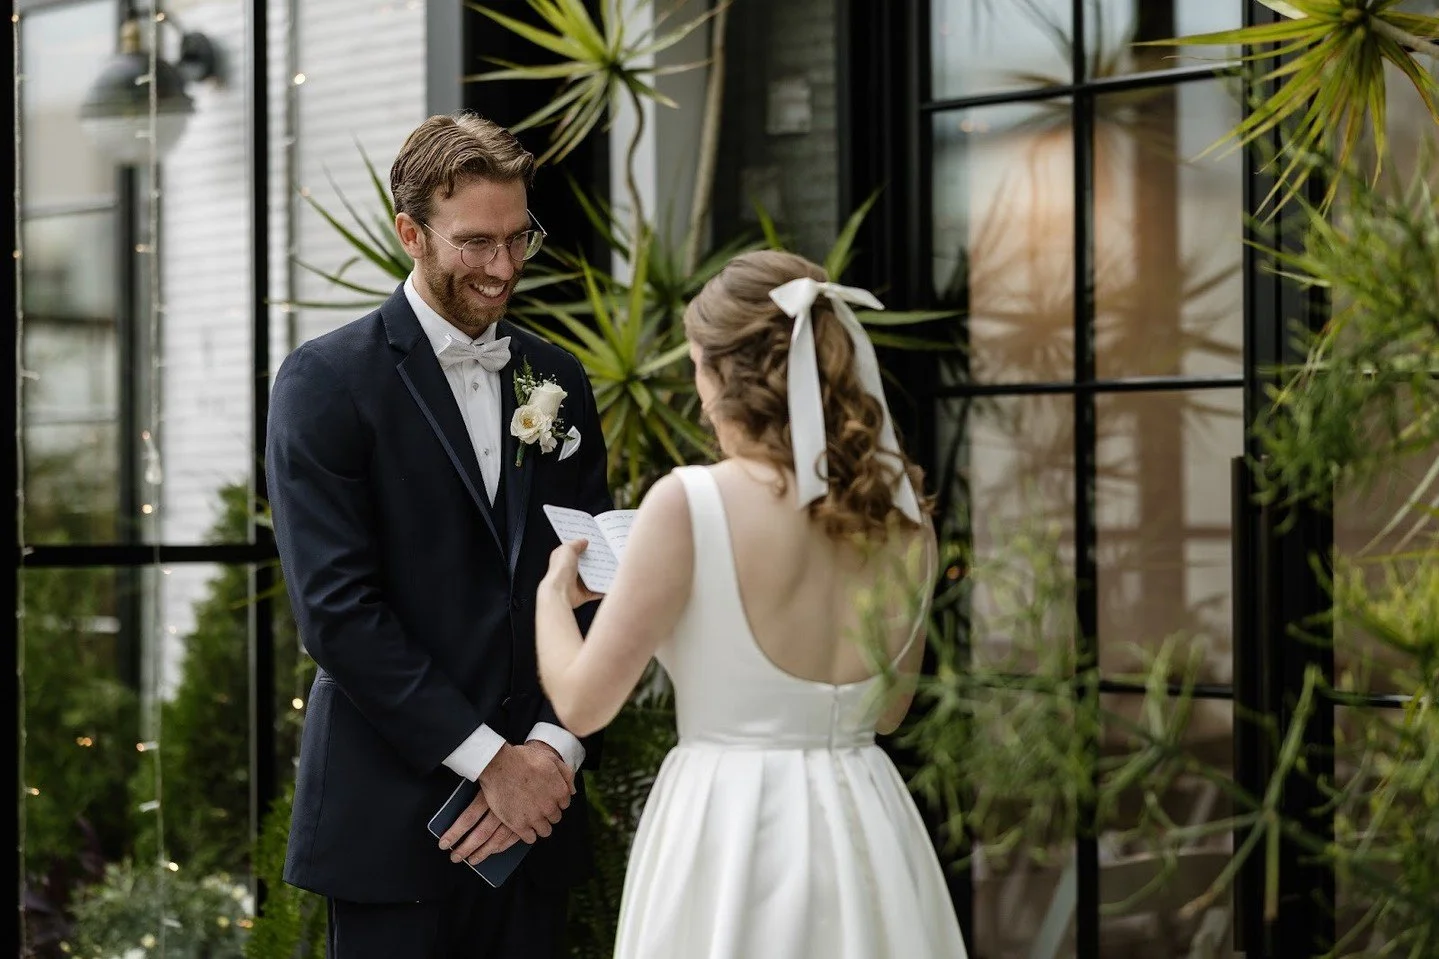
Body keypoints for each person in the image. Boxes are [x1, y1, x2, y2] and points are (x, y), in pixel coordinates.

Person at [530, 250, 970, 957]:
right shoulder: (904, 515)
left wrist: (553, 595)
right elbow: (888, 710)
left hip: (729, 823)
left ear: (718, 372)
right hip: (866, 824)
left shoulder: (690, 502)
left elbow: (582, 705)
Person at [265, 112, 610, 959]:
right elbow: (338, 613)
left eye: (517, 237)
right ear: (410, 233)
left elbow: (597, 581)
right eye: (475, 243)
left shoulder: (557, 377)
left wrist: (550, 753)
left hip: (535, 823)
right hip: (391, 824)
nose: (503, 267)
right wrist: (491, 761)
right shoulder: (326, 381)